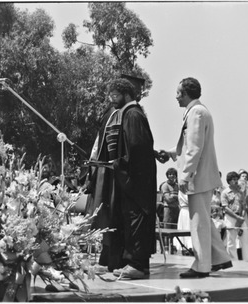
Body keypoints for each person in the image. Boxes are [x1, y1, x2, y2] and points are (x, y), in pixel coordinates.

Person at [158, 77, 231, 278]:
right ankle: (219, 258)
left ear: (186, 93)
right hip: (201, 177)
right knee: (203, 220)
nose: (176, 96)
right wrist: (171, 153)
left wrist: (186, 176)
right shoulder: (196, 111)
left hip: (198, 178)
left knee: (198, 223)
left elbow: (195, 147)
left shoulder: (196, 112)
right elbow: (189, 146)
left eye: (178, 92)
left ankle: (201, 266)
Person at [86, 76, 157, 279]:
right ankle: (133, 263)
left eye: (116, 95)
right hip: (131, 177)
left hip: (137, 179)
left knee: (137, 221)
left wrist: (118, 164)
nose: (112, 99)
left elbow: (136, 148)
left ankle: (137, 265)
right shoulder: (127, 114)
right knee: (130, 221)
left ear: (127, 95)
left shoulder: (133, 115)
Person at [221, 171, 248, 261]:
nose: (236, 181)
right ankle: (234, 261)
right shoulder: (225, 192)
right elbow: (225, 208)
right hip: (230, 218)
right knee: (231, 242)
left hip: (241, 217)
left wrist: (241, 217)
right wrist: (236, 217)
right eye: (233, 179)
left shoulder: (240, 192)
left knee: (245, 241)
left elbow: (244, 206)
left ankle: (247, 260)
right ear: (229, 181)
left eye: (237, 179)